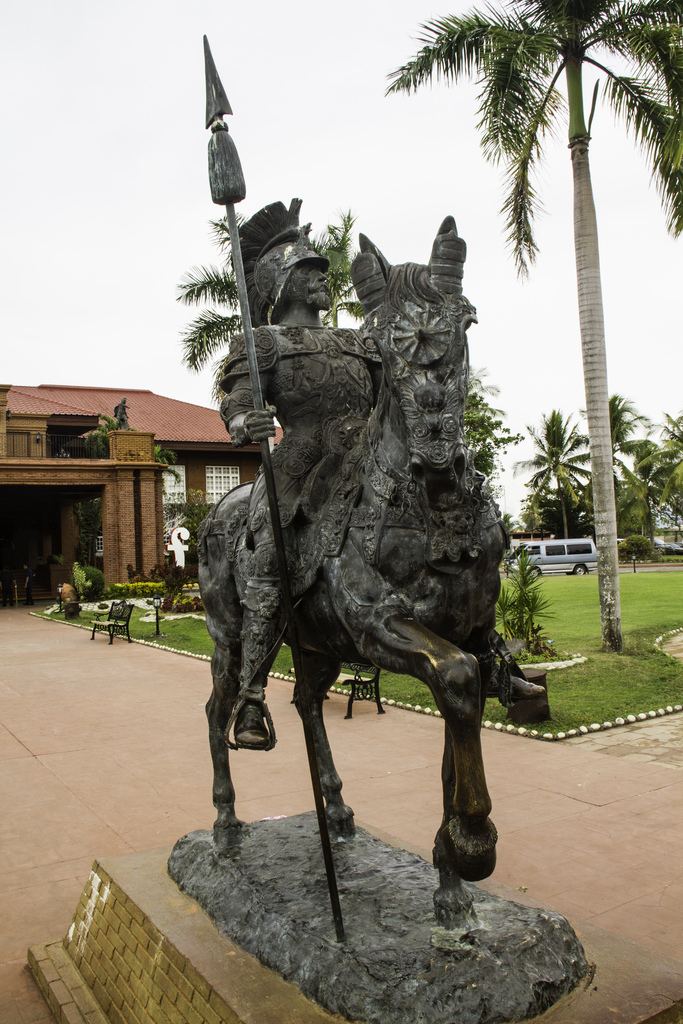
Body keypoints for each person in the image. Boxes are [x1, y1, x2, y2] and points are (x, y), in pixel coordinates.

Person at [219, 199, 381, 749]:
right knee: (271, 559)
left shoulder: (359, 342)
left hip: (365, 460)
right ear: (281, 283)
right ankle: (252, 695)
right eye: (307, 271)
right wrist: (247, 419)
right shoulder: (262, 344)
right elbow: (236, 401)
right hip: (298, 469)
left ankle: (485, 648)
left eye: (319, 271)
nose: (319, 278)